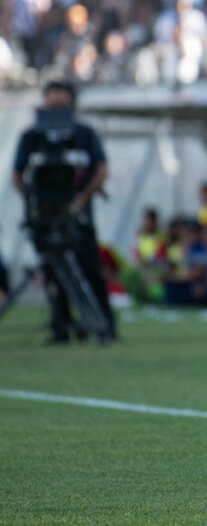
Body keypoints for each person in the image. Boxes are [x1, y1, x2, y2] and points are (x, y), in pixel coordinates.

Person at [11, 80, 117, 344]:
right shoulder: (31, 137)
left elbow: (101, 168)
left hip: (78, 216)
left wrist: (82, 197)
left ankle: (105, 327)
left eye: (62, 101)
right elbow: (17, 173)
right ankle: (62, 327)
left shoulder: (85, 134)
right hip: (44, 219)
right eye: (52, 101)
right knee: (52, 275)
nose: (57, 107)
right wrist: (32, 200)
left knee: (91, 269)